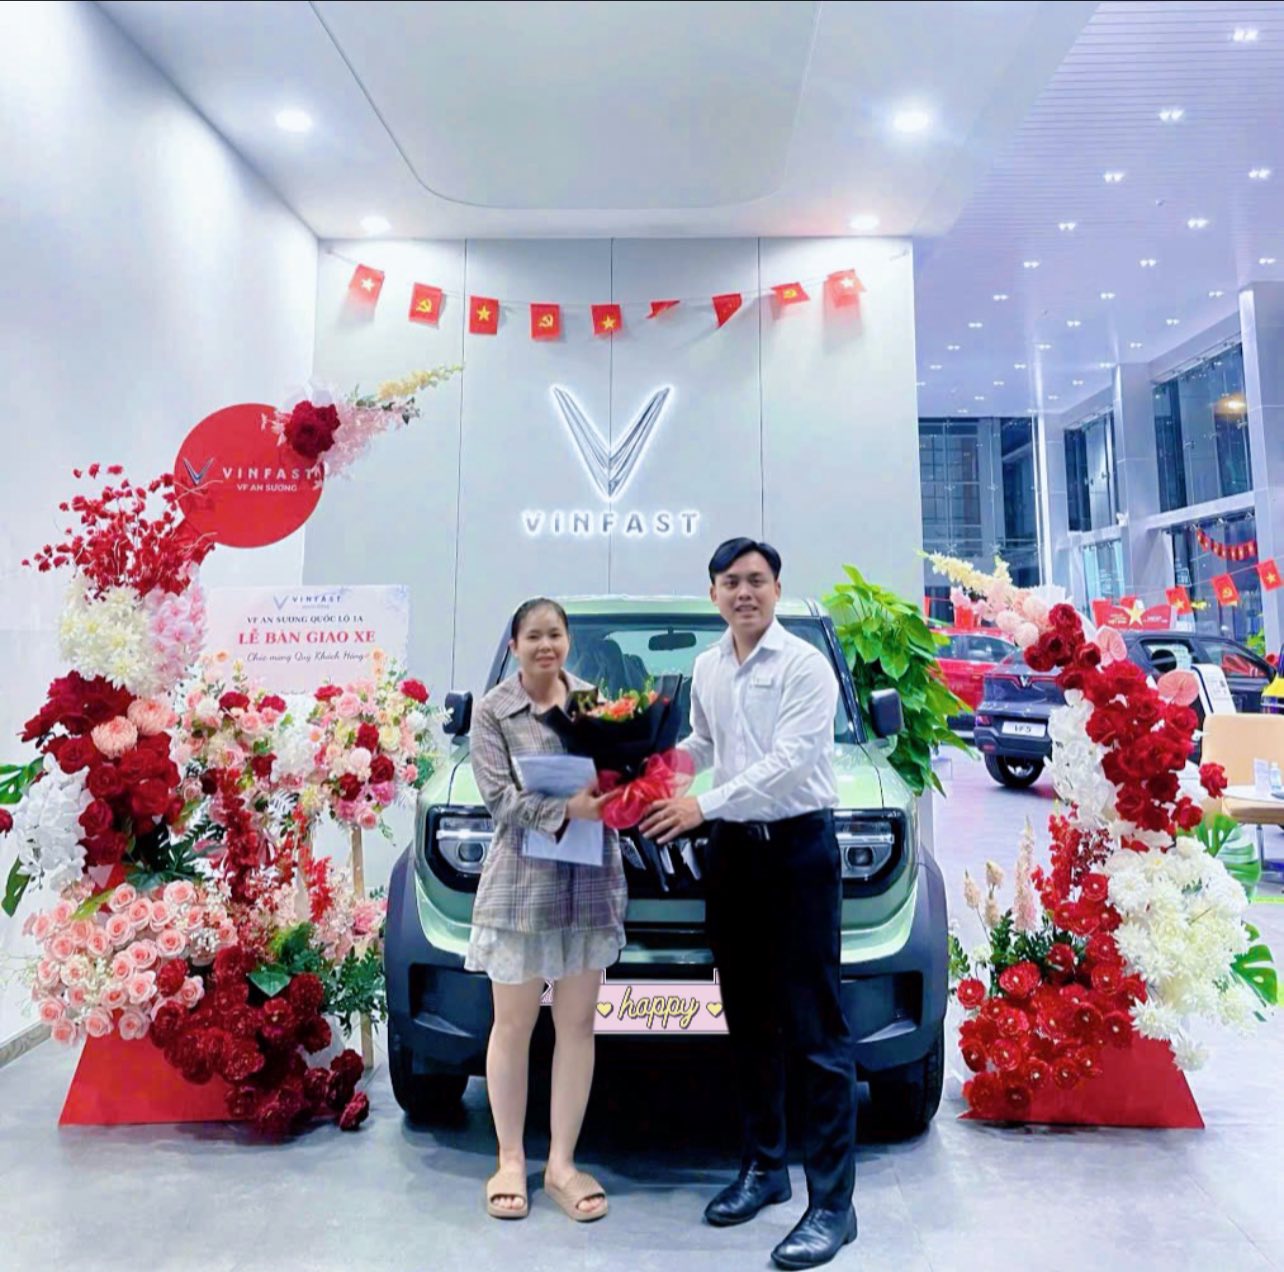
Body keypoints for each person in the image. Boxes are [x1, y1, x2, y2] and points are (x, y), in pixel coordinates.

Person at [640, 539, 858, 1271]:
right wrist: (655, 773)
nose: (744, 593)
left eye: (756, 580)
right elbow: (705, 741)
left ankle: (833, 1207)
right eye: (730, 582)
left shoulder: (804, 665)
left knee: (816, 1030)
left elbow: (790, 762)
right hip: (734, 857)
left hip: (797, 852)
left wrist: (700, 805)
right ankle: (765, 1168)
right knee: (749, 1021)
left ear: (777, 588)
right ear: (713, 593)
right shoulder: (709, 666)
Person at [465, 597, 625, 1223]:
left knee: (578, 1026)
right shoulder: (493, 711)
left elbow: (616, 779)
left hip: (588, 881)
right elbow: (499, 800)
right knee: (513, 1026)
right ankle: (509, 1159)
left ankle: (561, 1163)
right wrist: (567, 810)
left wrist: (622, 789)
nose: (545, 645)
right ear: (514, 645)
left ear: (568, 641)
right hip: (522, 887)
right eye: (533, 636)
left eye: (554, 634)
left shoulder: (594, 704)